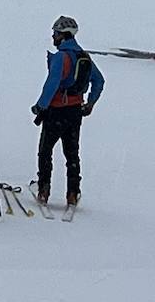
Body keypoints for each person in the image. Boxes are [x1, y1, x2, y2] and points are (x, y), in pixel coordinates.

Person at [30, 16, 105, 208]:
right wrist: (90, 103)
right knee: (72, 153)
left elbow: (52, 83)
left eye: (55, 33)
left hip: (56, 110)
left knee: (45, 151)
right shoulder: (83, 56)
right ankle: (73, 193)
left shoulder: (61, 57)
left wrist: (40, 105)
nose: (52, 37)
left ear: (62, 35)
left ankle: (44, 190)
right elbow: (99, 80)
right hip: (75, 111)